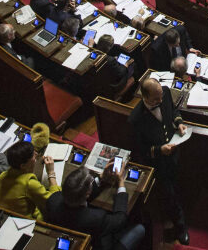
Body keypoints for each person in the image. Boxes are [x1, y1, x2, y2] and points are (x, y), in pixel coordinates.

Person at [130, 79, 190, 244]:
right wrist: (159, 150)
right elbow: (139, 150)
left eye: (161, 97)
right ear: (145, 97)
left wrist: (179, 123)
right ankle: (180, 226)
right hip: (158, 163)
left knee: (178, 184)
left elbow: (174, 110)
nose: (160, 101)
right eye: (156, 99)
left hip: (174, 151)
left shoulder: (165, 91)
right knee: (169, 194)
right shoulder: (136, 119)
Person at [45, 167, 145, 250]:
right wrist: (121, 185)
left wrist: (101, 178)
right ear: (87, 193)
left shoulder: (53, 200)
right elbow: (120, 219)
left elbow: (75, 192)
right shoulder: (96, 218)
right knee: (140, 229)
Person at [0, 140, 60, 220]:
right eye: (32, 155)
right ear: (23, 165)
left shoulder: (3, 175)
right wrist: (51, 173)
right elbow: (54, 202)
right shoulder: (29, 183)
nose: (36, 154)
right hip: (24, 221)